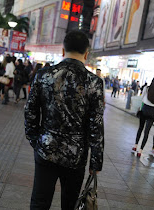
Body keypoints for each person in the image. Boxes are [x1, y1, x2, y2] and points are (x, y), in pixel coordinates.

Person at [24, 30, 104, 210]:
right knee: (70, 204)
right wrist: (96, 161)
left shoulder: (44, 75)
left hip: (46, 148)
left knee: (39, 202)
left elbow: (30, 111)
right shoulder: (94, 82)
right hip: (76, 155)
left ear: (62, 50)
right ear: (86, 53)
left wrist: (35, 140)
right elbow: (96, 124)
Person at [132, 76, 154, 157]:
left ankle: (135, 146)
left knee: (140, 128)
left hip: (144, 109)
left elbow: (142, 98)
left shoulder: (146, 88)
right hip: (152, 112)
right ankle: (140, 150)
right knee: (147, 131)